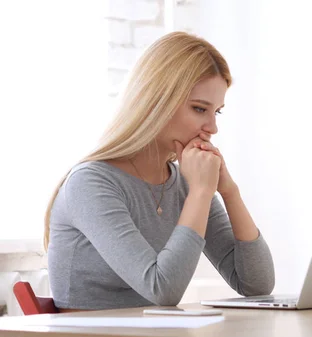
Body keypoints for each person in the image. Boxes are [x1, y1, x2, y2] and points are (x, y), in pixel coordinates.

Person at [44, 31, 275, 311]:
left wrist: (229, 191)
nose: (212, 128)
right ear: (157, 100)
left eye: (218, 112)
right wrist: (201, 192)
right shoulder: (91, 184)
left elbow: (256, 285)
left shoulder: (184, 185)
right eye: (200, 109)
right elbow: (162, 290)